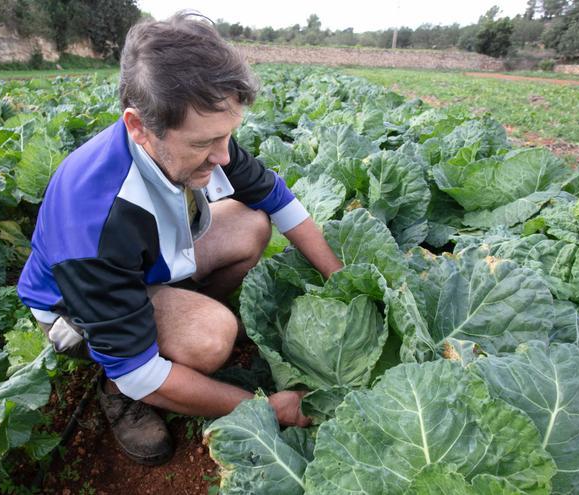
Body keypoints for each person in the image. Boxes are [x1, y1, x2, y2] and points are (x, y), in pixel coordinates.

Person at [17, 12, 343, 466]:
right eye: (203, 144)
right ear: (138, 127)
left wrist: (342, 278)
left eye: (228, 135)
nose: (224, 154)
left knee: (251, 223)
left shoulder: (201, 134)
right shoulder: (92, 221)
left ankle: (165, 319)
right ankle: (112, 384)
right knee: (210, 337)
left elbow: (278, 199)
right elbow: (139, 374)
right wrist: (268, 408)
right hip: (72, 308)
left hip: (147, 262)